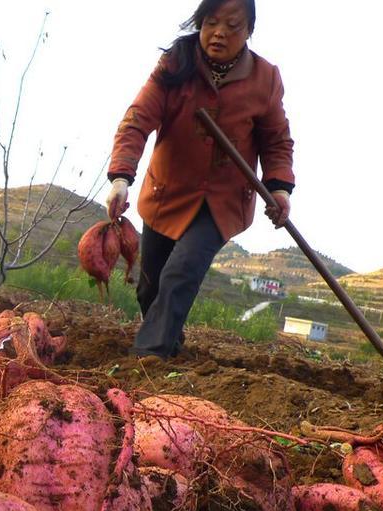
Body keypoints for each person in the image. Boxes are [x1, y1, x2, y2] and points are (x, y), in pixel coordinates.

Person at [106, 0, 294, 359]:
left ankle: (147, 359)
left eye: (233, 26)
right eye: (211, 22)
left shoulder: (265, 79)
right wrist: (121, 177)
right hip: (168, 193)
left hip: (221, 203)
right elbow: (138, 119)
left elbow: (277, 141)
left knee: (180, 274)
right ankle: (170, 345)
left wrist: (279, 188)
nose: (219, 33)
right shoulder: (177, 63)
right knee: (150, 288)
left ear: (249, 31)